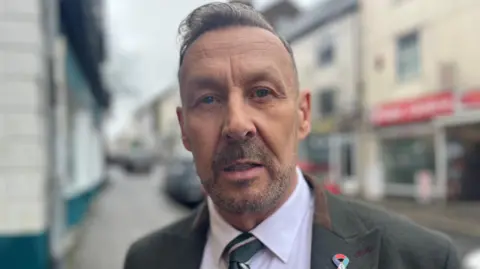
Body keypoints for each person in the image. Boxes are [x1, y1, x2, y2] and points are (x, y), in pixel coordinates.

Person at [123, 2, 460, 269]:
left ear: (303, 115)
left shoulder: (421, 259)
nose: (237, 125)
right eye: (208, 99)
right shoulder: (146, 260)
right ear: (183, 129)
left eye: (262, 93)